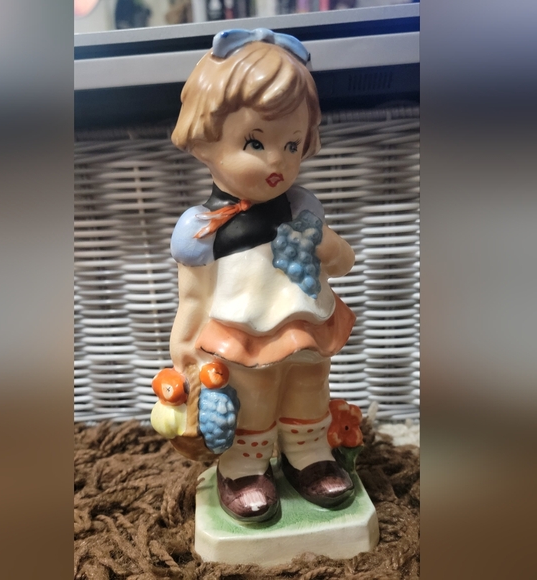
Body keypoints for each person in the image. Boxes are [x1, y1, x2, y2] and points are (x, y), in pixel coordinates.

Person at [169, 28, 356, 522]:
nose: (277, 161)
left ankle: (309, 453)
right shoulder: (203, 229)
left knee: (309, 387)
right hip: (240, 332)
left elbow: (343, 262)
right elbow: (193, 297)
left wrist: (328, 245)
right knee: (251, 397)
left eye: (292, 145)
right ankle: (245, 466)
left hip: (307, 321)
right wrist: (184, 347)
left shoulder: (303, 207)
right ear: (205, 140)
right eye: (255, 142)